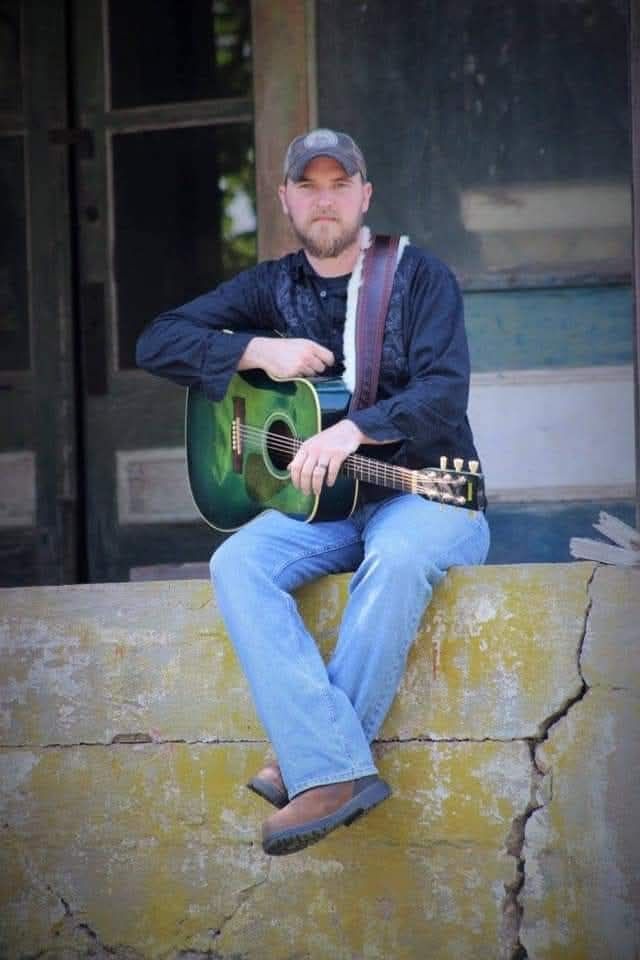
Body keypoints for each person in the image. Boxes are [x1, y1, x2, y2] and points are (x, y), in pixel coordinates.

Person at [136, 127, 490, 856]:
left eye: (339, 184)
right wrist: (252, 348)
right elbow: (155, 342)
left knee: (393, 563)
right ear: (286, 200)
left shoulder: (420, 278)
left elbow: (444, 394)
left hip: (425, 496)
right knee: (238, 563)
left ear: (364, 194)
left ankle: (318, 767)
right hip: (322, 513)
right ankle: (325, 760)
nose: (324, 200)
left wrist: (352, 431)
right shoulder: (270, 287)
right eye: (308, 185)